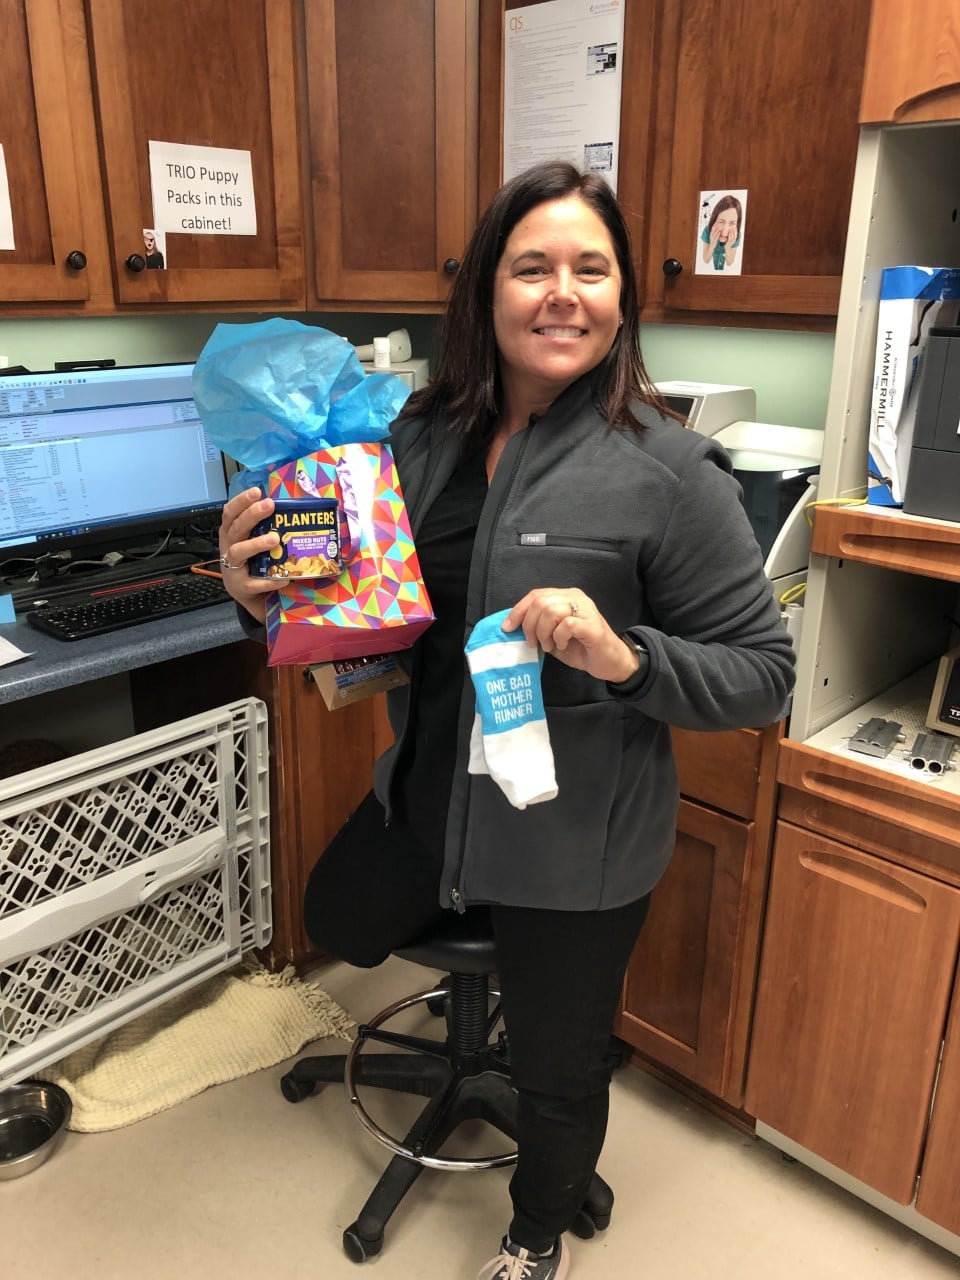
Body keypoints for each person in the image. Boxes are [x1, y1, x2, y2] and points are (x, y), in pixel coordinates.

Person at [217, 161, 795, 1279]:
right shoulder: (418, 438)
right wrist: (263, 597)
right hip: (430, 792)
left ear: (624, 297)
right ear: (487, 290)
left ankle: (535, 1234)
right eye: (533, 267)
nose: (563, 292)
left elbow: (764, 675)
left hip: (574, 841)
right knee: (334, 913)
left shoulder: (670, 471)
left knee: (558, 1071)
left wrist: (627, 657)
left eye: (592, 269)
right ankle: (482, 1008)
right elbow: (363, 617)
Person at [700, 194, 742, 271]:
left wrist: (728, 247)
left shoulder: (736, 235)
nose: (725, 232)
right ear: (714, 219)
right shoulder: (707, 231)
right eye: (721, 222)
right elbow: (706, 260)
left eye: (732, 223)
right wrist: (712, 244)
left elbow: (729, 263)